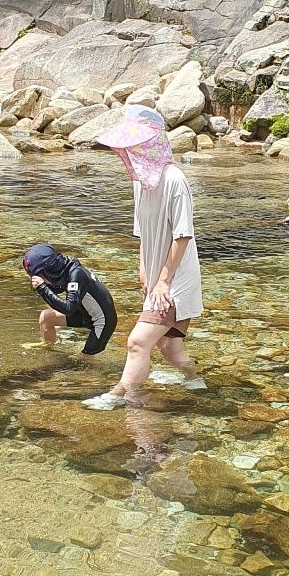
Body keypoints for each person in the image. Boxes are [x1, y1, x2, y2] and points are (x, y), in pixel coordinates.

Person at [82, 104, 204, 409]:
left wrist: (163, 282)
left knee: (137, 342)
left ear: (150, 145)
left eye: (133, 145)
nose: (127, 153)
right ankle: (194, 380)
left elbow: (183, 235)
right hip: (157, 278)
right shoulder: (142, 183)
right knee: (169, 348)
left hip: (176, 280)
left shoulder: (175, 180)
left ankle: (117, 397)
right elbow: (143, 232)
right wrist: (143, 269)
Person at [22, 242, 118, 357]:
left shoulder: (76, 274)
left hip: (102, 321)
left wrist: (42, 287)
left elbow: (68, 309)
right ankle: (48, 348)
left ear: (48, 269)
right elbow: (56, 290)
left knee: (83, 360)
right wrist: (41, 285)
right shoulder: (63, 268)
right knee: (46, 318)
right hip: (83, 313)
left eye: (38, 275)